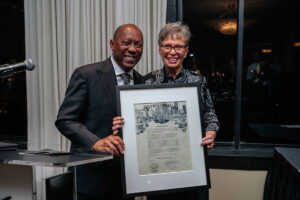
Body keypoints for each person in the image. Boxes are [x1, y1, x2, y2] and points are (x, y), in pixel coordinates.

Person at [113, 22, 219, 200]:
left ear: (186, 51)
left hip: (192, 170)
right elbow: (136, 123)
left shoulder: (198, 81)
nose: (172, 52)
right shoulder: (146, 82)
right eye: (167, 46)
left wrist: (210, 134)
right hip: (158, 175)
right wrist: (123, 125)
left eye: (178, 47)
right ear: (160, 49)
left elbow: (211, 115)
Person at [55, 24, 144, 200]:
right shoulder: (86, 75)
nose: (132, 49)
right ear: (112, 44)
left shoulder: (142, 81)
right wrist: (95, 142)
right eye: (126, 43)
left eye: (138, 45)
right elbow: (65, 120)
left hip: (126, 184)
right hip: (90, 182)